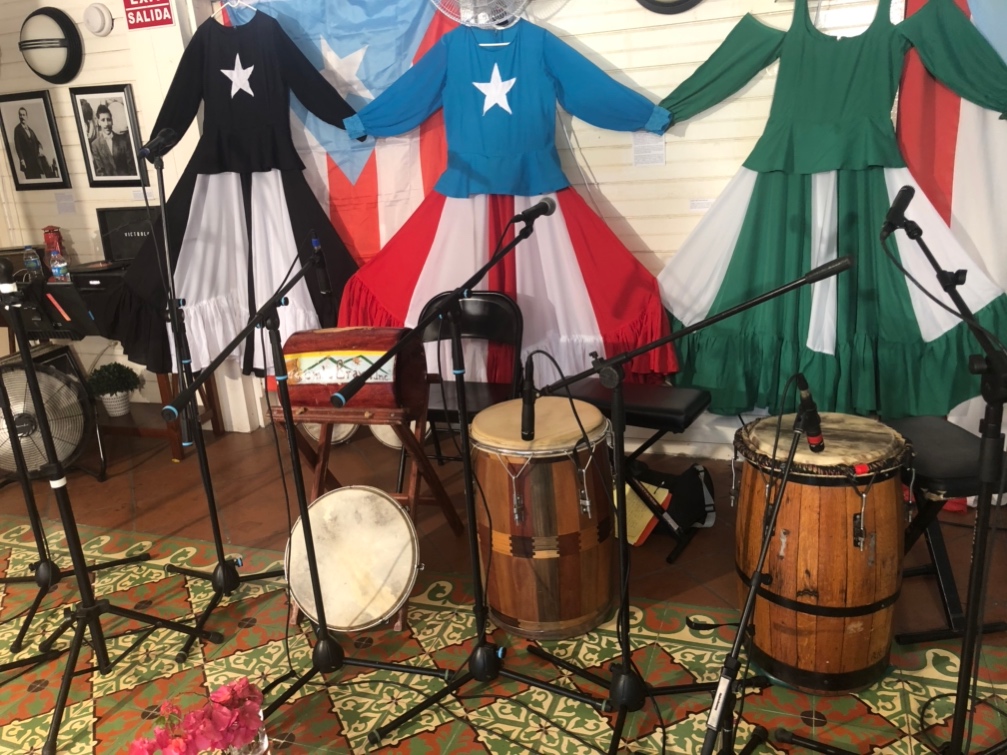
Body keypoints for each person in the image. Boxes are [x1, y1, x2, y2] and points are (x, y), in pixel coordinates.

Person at [89, 104, 137, 176]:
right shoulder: (95, 145)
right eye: (103, 120)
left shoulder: (123, 141)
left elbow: (132, 168)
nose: (106, 124)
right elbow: (100, 171)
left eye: (108, 120)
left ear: (112, 121)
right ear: (98, 122)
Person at [13, 107, 50, 179]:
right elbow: (18, 147)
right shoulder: (17, 129)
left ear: (27, 116)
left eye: (24, 115)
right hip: (27, 162)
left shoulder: (31, 130)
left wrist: (40, 148)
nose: (22, 117)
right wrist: (22, 160)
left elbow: (37, 142)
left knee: (39, 179)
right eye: (20, 115)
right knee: (31, 179)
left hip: (36, 162)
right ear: (19, 116)